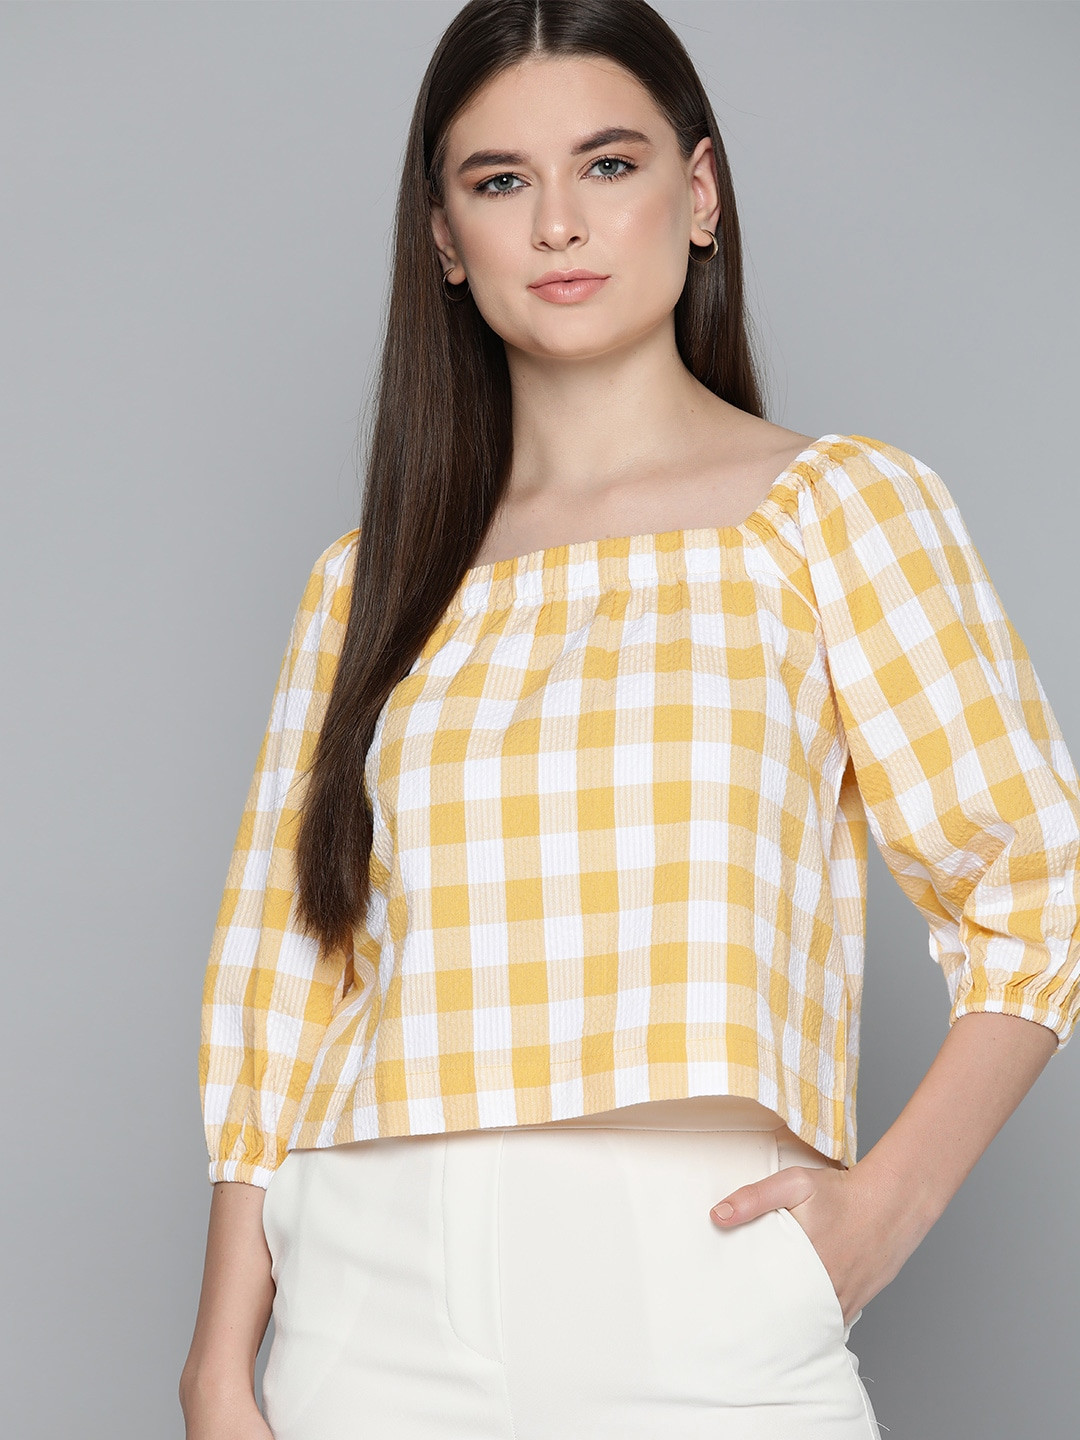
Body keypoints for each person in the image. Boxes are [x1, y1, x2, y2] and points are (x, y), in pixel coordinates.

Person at [179, 2, 1080, 1437]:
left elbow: (1037, 883)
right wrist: (220, 1363)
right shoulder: (368, 584)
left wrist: (882, 1218)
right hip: (365, 1305)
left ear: (699, 192)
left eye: (608, 164)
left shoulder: (837, 514)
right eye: (501, 181)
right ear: (444, 237)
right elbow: (285, 969)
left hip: (701, 1286)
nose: (558, 224)